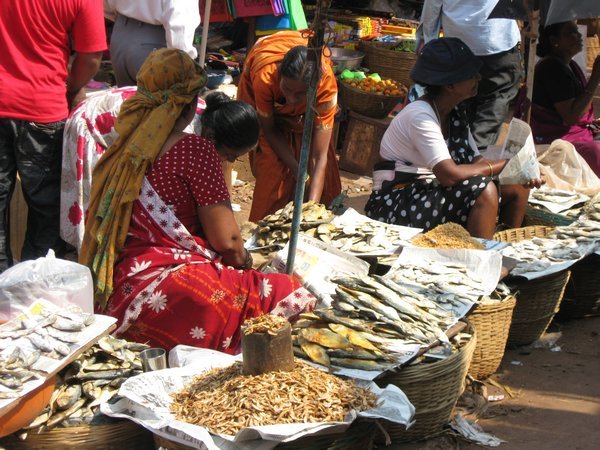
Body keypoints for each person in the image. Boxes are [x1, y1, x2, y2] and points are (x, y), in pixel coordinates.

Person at [80, 49, 315, 353]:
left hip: (121, 283)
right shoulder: (194, 150)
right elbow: (228, 243)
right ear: (189, 104)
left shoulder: (125, 147)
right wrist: (246, 265)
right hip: (164, 285)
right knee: (284, 289)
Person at [365, 38, 542, 240]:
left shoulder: (454, 113)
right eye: (470, 75)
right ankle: (480, 259)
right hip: (396, 202)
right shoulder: (420, 115)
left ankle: (507, 246)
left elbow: (478, 163)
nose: (477, 78)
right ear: (450, 84)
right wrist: (504, 165)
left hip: (429, 191)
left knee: (517, 186)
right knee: (484, 191)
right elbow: (448, 175)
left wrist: (523, 171)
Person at [0, 0, 106, 273]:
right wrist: (70, 88)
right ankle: (31, 286)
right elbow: (91, 58)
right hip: (43, 106)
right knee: (46, 209)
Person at [60, 87, 207, 252]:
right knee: (95, 202)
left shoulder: (193, 115)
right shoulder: (188, 133)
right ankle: (90, 251)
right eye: (229, 156)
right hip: (92, 122)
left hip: (107, 116)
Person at [236, 30, 342, 222]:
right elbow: (269, 129)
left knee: (322, 183)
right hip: (269, 120)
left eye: (300, 94)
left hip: (304, 117)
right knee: (272, 175)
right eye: (287, 89)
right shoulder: (266, 77)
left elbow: (319, 157)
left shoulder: (325, 89)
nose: (292, 100)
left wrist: (311, 210)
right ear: (279, 75)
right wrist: (298, 170)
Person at [420, 0, 523, 149]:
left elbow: (432, 8)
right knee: (493, 105)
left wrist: (430, 43)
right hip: (496, 43)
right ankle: (474, 157)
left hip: (462, 44)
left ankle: (461, 156)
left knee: (460, 106)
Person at [531, 21, 600, 176]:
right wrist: (595, 77)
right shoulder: (552, 69)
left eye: (577, 31)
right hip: (557, 141)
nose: (579, 36)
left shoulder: (568, 65)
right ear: (554, 41)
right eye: (571, 33)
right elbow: (571, 117)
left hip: (576, 133)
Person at [104, 0, 200, 86]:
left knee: (127, 102)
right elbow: (178, 22)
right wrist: (183, 65)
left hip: (121, 33)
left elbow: (105, 6)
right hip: (152, 42)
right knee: (163, 103)